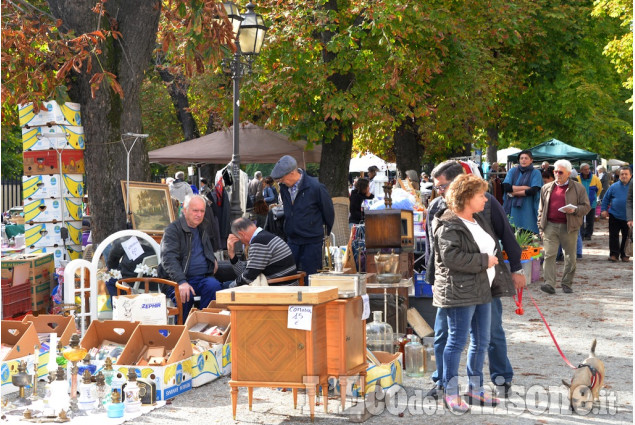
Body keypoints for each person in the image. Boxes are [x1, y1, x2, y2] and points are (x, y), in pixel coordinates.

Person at [424, 160, 523, 402]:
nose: (439, 191)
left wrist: (516, 268)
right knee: (447, 337)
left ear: (458, 184)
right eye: (437, 187)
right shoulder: (440, 211)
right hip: (457, 288)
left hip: (484, 287)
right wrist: (433, 279)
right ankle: (444, 384)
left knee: (489, 335)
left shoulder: (484, 209)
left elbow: (506, 237)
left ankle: (498, 380)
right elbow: (438, 252)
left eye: (442, 186)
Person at [158, 194, 221, 317]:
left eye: (202, 211)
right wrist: (181, 281)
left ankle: (204, 325)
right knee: (186, 296)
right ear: (185, 210)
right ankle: (184, 331)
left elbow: (207, 250)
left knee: (215, 287)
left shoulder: (203, 227)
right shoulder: (173, 230)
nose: (199, 214)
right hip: (177, 280)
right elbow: (168, 258)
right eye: (195, 210)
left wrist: (213, 260)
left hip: (202, 277)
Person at [271, 155, 334, 276]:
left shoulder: (316, 187)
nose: (281, 182)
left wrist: (321, 232)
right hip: (293, 239)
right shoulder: (284, 188)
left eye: (282, 179)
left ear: (292, 173)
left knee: (310, 276)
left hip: (312, 240)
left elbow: (328, 212)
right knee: (289, 274)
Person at [538, 160, 590, 294]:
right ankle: (549, 283)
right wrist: (541, 227)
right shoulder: (546, 188)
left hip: (569, 226)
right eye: (555, 171)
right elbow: (541, 209)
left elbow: (586, 207)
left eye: (560, 172)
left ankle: (567, 283)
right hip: (550, 225)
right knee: (549, 255)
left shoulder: (578, 188)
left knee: (570, 256)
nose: (557, 174)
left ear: (568, 173)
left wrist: (575, 210)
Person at [224, 217, 297, 287]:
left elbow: (248, 277)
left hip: (281, 288)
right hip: (285, 285)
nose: (242, 242)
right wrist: (232, 254)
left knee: (225, 286)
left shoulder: (259, 241)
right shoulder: (265, 236)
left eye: (239, 239)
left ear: (241, 234)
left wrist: (230, 287)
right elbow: (246, 273)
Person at [502, 150, 543, 234]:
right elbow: (506, 187)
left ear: (531, 160)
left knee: (527, 238)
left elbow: (533, 190)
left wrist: (513, 193)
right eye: (521, 158)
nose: (523, 160)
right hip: (512, 209)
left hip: (528, 210)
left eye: (526, 158)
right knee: (511, 236)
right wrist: (525, 188)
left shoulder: (536, 173)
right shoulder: (512, 171)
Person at [601, 166, 632, 262]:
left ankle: (624, 254)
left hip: (629, 217)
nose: (624, 176)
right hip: (614, 215)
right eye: (622, 174)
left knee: (627, 236)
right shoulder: (613, 186)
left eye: (626, 174)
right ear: (619, 175)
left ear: (631, 175)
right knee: (613, 235)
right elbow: (605, 199)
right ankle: (614, 254)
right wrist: (603, 210)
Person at [577, 163, 602, 240]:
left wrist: (593, 197)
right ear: (581, 170)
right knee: (580, 220)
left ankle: (588, 235)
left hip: (591, 203)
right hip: (580, 203)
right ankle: (581, 234)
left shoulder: (595, 178)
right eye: (585, 169)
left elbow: (599, 189)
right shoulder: (577, 179)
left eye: (588, 169)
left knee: (590, 221)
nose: (587, 171)